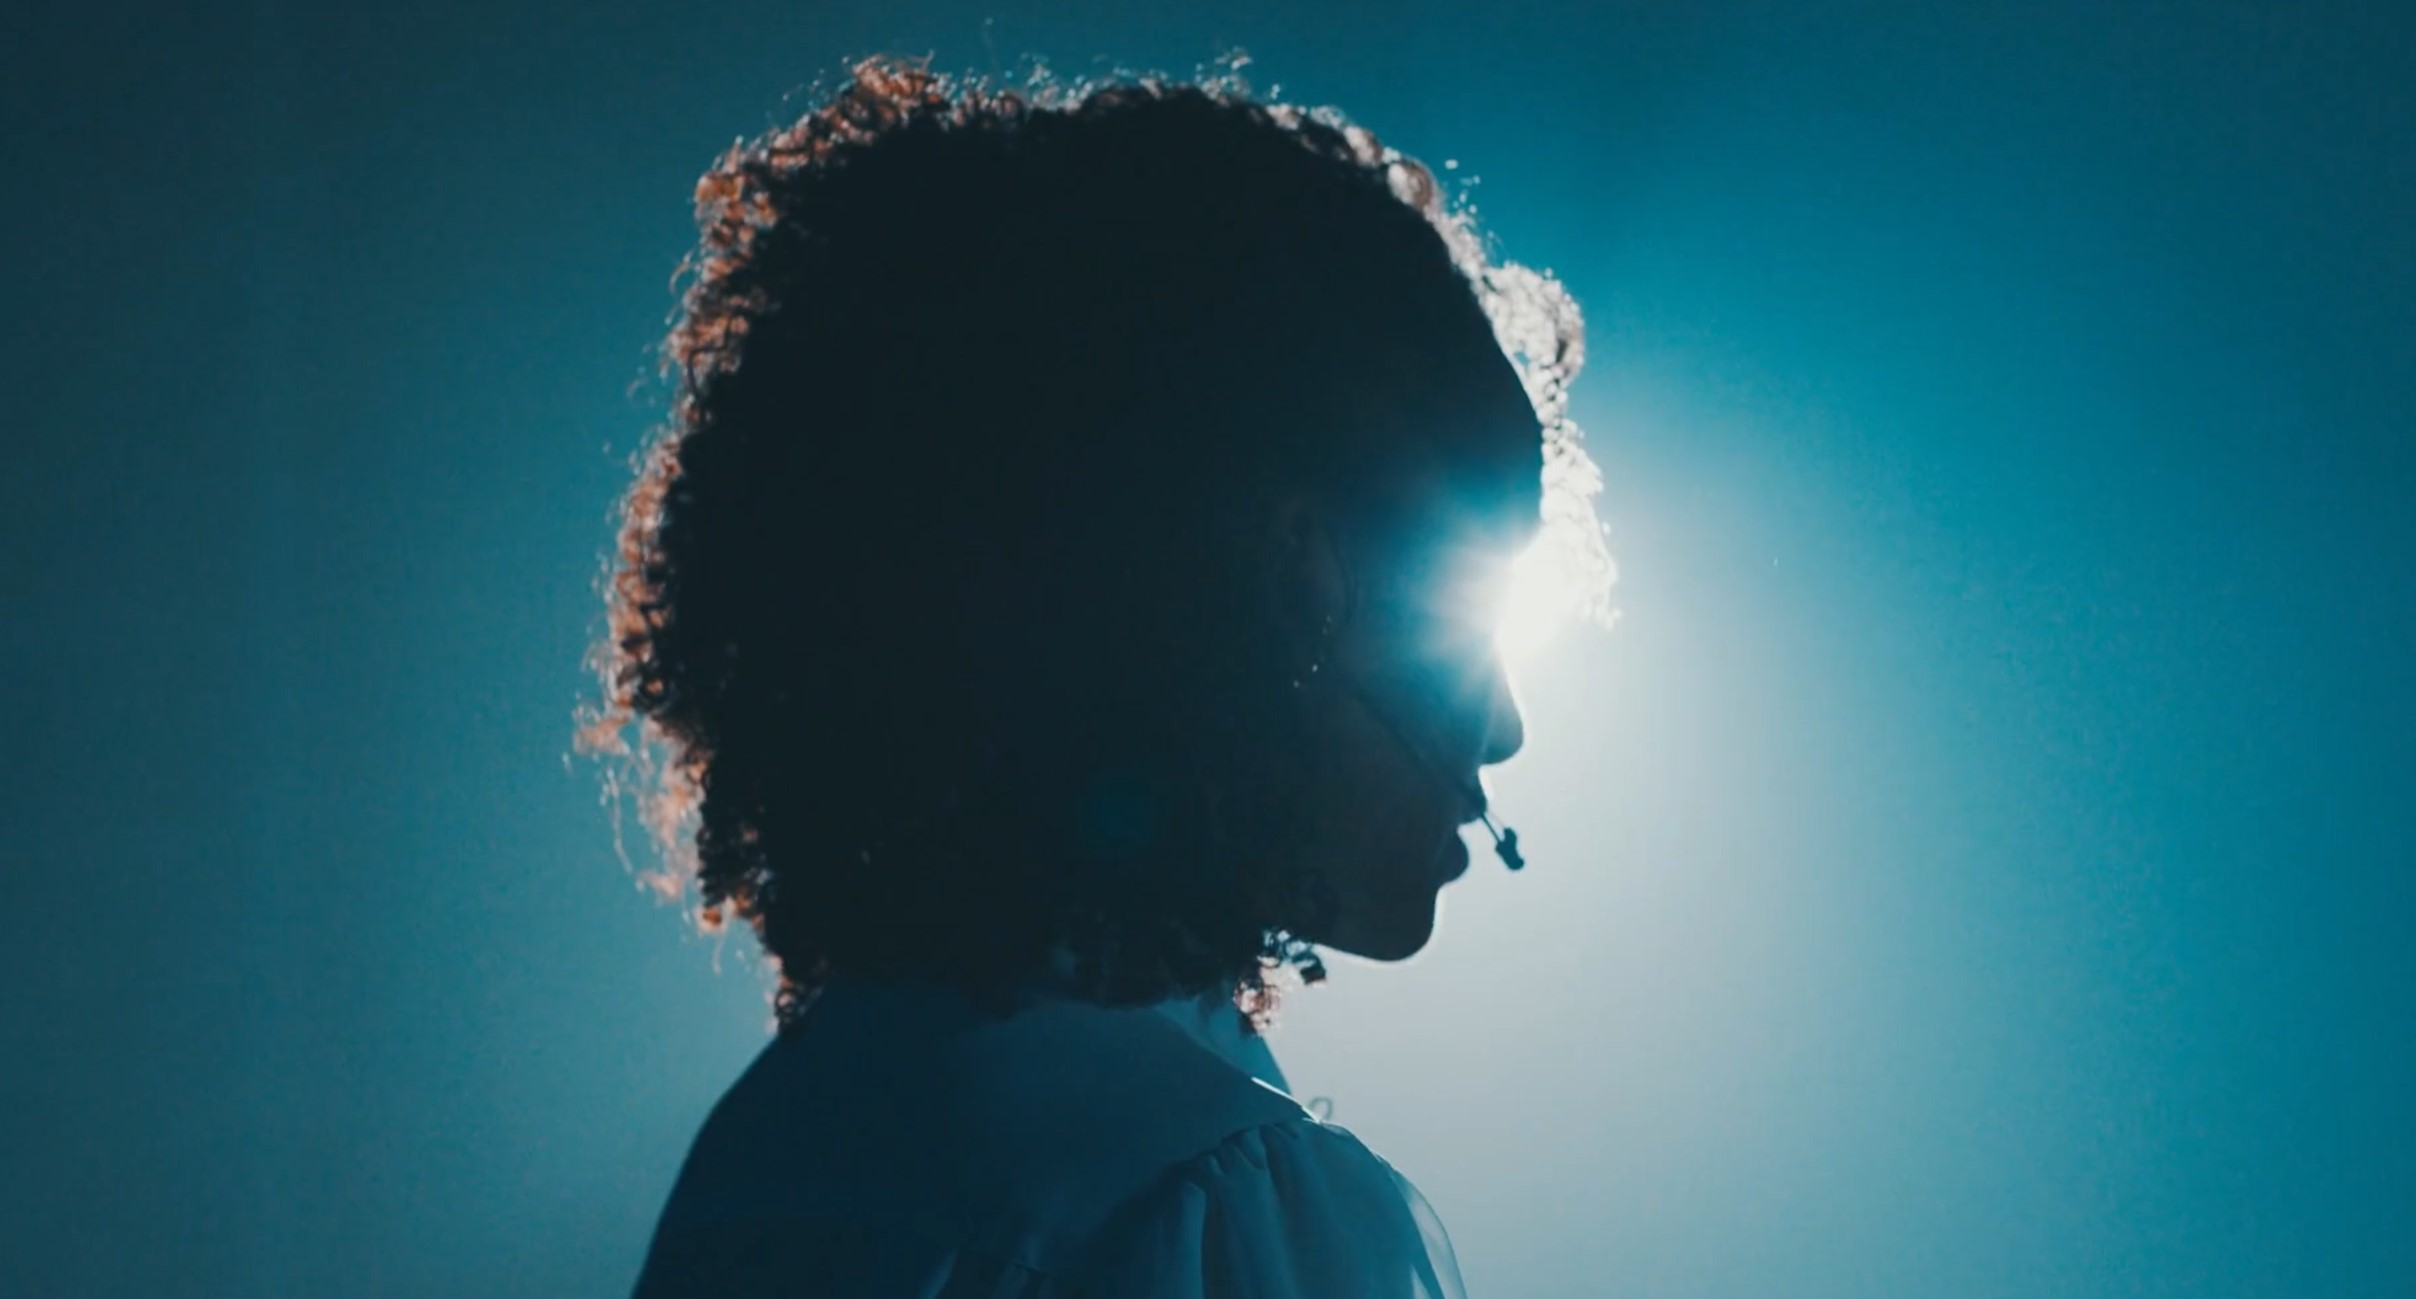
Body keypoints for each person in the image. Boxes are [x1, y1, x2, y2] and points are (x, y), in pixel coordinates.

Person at [584, 54, 1609, 1298]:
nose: (1504, 728)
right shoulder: (1202, 1200)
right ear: (1293, 576)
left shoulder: (775, 1153)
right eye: (1465, 606)